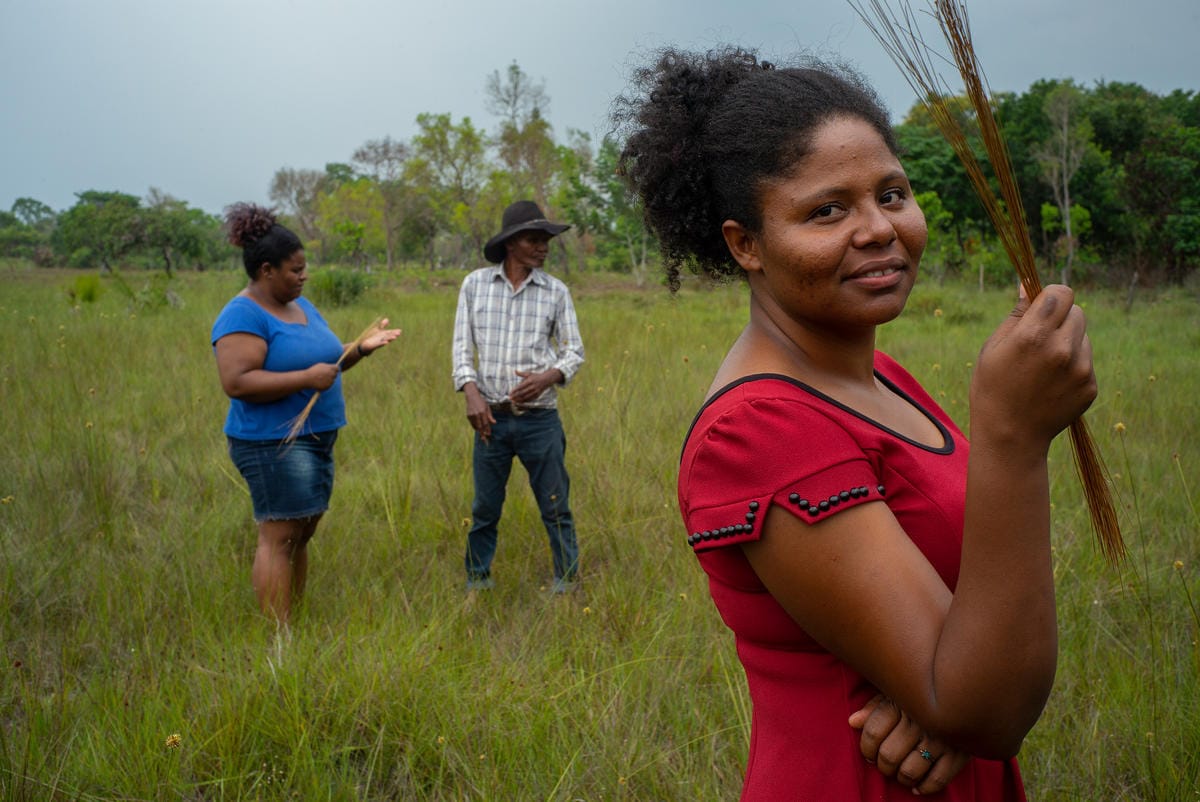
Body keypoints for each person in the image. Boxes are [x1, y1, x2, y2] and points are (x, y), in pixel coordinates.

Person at [614, 48, 1096, 800]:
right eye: (827, 210)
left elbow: (961, 663)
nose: (879, 229)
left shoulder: (881, 378)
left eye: (892, 194)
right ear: (746, 244)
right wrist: (1013, 436)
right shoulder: (759, 434)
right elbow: (986, 707)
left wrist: (941, 697)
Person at [212, 203, 401, 624]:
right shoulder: (242, 314)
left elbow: (327, 366)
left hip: (317, 436)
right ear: (266, 270)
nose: (304, 276)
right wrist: (303, 377)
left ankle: (292, 622)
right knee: (279, 536)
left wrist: (360, 350)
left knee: (301, 534)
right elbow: (237, 382)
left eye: (304, 269)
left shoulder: (302, 306)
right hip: (271, 442)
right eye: (295, 270)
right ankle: (280, 638)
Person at [451, 200, 585, 593]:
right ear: (511, 244)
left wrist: (548, 377)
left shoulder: (555, 292)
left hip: (539, 420)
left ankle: (568, 581)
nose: (543, 247)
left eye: (546, 240)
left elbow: (573, 351)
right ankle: (477, 581)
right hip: (490, 419)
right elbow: (462, 348)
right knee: (485, 509)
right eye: (534, 239)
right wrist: (470, 392)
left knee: (555, 504)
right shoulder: (475, 286)